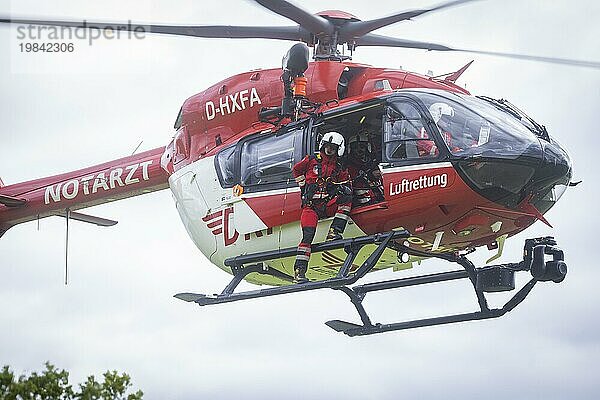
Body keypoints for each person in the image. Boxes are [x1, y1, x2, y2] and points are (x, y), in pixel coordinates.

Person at [291, 132, 352, 283]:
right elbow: (296, 170)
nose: (329, 150)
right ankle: (299, 271)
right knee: (307, 236)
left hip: (327, 205)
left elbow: (346, 183)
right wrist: (303, 184)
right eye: (327, 146)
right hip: (310, 207)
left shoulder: (339, 167)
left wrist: (343, 189)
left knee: (347, 199)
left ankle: (335, 231)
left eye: (333, 147)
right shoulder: (312, 160)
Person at [346, 132, 384, 207]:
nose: (359, 150)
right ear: (351, 149)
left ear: (367, 147)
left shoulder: (372, 160)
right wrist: (370, 175)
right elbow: (353, 179)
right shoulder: (348, 164)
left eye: (362, 147)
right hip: (362, 199)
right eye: (356, 148)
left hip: (377, 192)